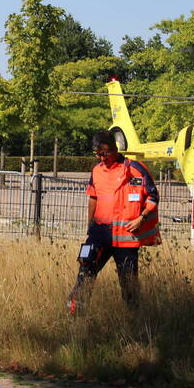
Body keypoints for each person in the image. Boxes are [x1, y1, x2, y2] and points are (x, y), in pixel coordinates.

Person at [68, 130, 160, 312]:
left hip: (126, 239)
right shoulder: (96, 171)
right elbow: (93, 198)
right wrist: (90, 227)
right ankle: (75, 314)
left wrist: (141, 219)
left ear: (115, 148)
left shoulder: (135, 169)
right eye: (98, 154)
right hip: (100, 235)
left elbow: (153, 197)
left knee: (129, 285)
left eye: (106, 153)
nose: (102, 158)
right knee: (85, 272)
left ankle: (133, 319)